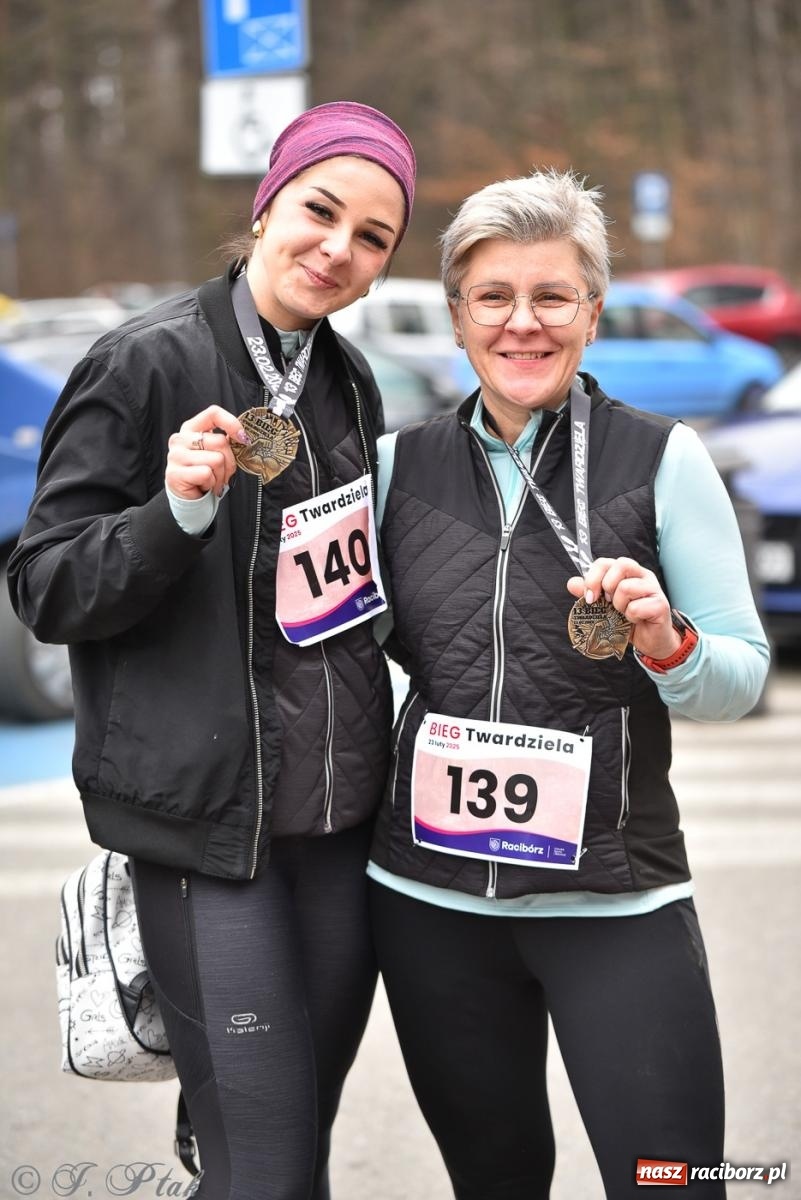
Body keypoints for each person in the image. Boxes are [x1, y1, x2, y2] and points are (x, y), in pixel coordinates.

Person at [8, 101, 416, 1200]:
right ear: (267, 204)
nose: (337, 248)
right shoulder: (142, 363)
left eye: (372, 237)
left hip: (338, 826)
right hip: (209, 833)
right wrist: (175, 514)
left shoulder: (346, 378)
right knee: (267, 1168)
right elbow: (45, 585)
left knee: (286, 1155)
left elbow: (352, 591)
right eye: (320, 210)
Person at [368, 169, 769, 1199]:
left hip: (615, 900)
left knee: (673, 1181)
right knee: (495, 1183)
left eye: (552, 296)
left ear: (592, 312)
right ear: (456, 317)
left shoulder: (663, 458)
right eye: (493, 297)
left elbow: (737, 680)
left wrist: (665, 640)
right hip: (431, 904)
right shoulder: (395, 466)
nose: (523, 322)